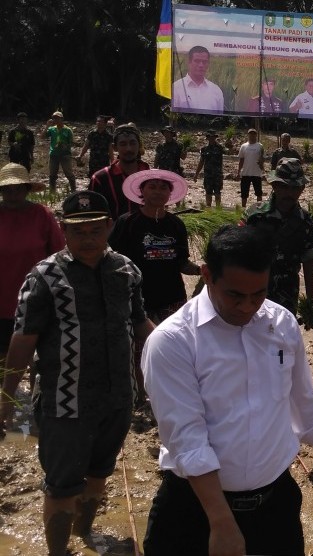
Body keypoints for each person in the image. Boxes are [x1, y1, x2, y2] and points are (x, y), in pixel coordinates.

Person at [141, 225, 313, 556]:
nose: (247, 307)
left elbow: (304, 404)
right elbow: (187, 439)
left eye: (258, 294)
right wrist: (221, 522)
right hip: (197, 509)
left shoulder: (281, 324)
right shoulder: (173, 342)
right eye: (235, 296)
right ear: (208, 275)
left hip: (274, 505)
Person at [1, 190, 154, 556]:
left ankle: (86, 535)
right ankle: (57, 551)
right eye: (78, 231)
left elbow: (141, 324)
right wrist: (7, 399)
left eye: (95, 230)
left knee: (99, 474)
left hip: (117, 398)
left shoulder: (125, 270)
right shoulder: (44, 277)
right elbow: (23, 339)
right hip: (64, 402)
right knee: (61, 486)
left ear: (109, 227)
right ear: (64, 231)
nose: (88, 239)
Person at [109, 169, 199, 324]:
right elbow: (111, 260)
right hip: (137, 298)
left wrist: (201, 271)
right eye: (152, 187)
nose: (158, 191)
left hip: (172, 297)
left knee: (174, 344)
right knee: (140, 346)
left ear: (170, 193)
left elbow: (182, 263)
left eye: (163, 187)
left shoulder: (176, 225)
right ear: (142, 191)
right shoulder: (127, 222)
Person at [0, 164, 63, 380]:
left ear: (27, 189)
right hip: (2, 297)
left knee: (39, 356)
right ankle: (6, 404)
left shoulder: (42, 215)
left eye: (18, 188)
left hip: (37, 296)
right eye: (7, 189)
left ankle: (36, 404)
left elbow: (59, 253)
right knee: (3, 356)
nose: (12, 194)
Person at [242, 158, 313, 316]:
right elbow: (238, 254)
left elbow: (309, 261)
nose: (289, 193)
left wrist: (310, 301)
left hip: (288, 292)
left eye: (295, 188)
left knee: (282, 337)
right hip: (254, 290)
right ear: (274, 185)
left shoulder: (306, 220)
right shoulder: (255, 215)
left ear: (302, 188)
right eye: (284, 187)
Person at [89, 124, 150, 219]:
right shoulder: (101, 178)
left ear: (140, 145)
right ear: (114, 147)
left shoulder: (150, 176)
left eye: (133, 143)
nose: (128, 149)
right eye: (123, 144)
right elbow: (94, 215)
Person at [172, 46, 225, 113]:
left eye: (204, 62)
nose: (201, 65)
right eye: (197, 61)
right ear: (189, 62)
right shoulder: (176, 88)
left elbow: (220, 119)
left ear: (208, 64)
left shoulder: (216, 91)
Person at [41, 111, 77, 191]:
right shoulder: (51, 129)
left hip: (65, 155)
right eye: (54, 118)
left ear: (62, 119)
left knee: (69, 174)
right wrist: (47, 126)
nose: (55, 120)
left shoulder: (68, 130)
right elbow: (42, 137)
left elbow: (72, 143)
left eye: (57, 118)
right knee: (52, 175)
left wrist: (66, 146)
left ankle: (73, 191)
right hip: (53, 154)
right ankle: (52, 193)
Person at [193, 130, 225, 208]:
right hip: (208, 175)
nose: (211, 138)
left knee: (217, 192)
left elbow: (229, 151)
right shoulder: (204, 149)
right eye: (210, 137)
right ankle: (209, 209)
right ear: (207, 138)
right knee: (208, 192)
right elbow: (201, 162)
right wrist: (196, 174)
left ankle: (218, 209)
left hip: (217, 174)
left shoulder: (220, 148)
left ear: (215, 138)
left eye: (213, 137)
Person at [236, 128, 265, 207]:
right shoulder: (243, 146)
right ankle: (243, 208)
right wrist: (238, 172)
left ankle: (259, 208)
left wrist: (263, 169)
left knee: (259, 193)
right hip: (246, 173)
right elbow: (241, 160)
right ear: (248, 135)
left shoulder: (260, 146)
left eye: (253, 134)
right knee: (244, 193)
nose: (252, 136)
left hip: (256, 173)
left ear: (256, 135)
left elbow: (262, 159)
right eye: (250, 134)